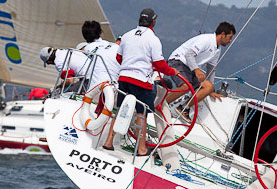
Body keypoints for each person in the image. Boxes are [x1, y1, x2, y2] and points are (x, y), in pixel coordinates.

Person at [102, 8, 178, 155]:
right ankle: (142, 149)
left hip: (123, 78)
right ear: (153, 22)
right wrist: (172, 71)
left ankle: (108, 142)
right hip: (141, 81)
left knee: (120, 110)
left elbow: (119, 58)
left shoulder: (127, 35)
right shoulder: (153, 40)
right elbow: (159, 64)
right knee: (141, 113)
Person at [164, 22, 235, 110]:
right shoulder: (206, 40)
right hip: (178, 61)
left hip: (191, 68)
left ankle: (183, 108)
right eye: (230, 37)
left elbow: (211, 69)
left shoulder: (217, 49)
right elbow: (189, 54)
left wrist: (211, 92)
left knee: (208, 87)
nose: (230, 40)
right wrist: (197, 70)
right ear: (223, 34)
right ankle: (159, 105)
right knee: (186, 86)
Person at [80, 20, 120, 90]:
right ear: (100, 33)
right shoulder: (114, 46)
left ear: (84, 36)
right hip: (114, 87)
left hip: (96, 90)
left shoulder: (87, 49)